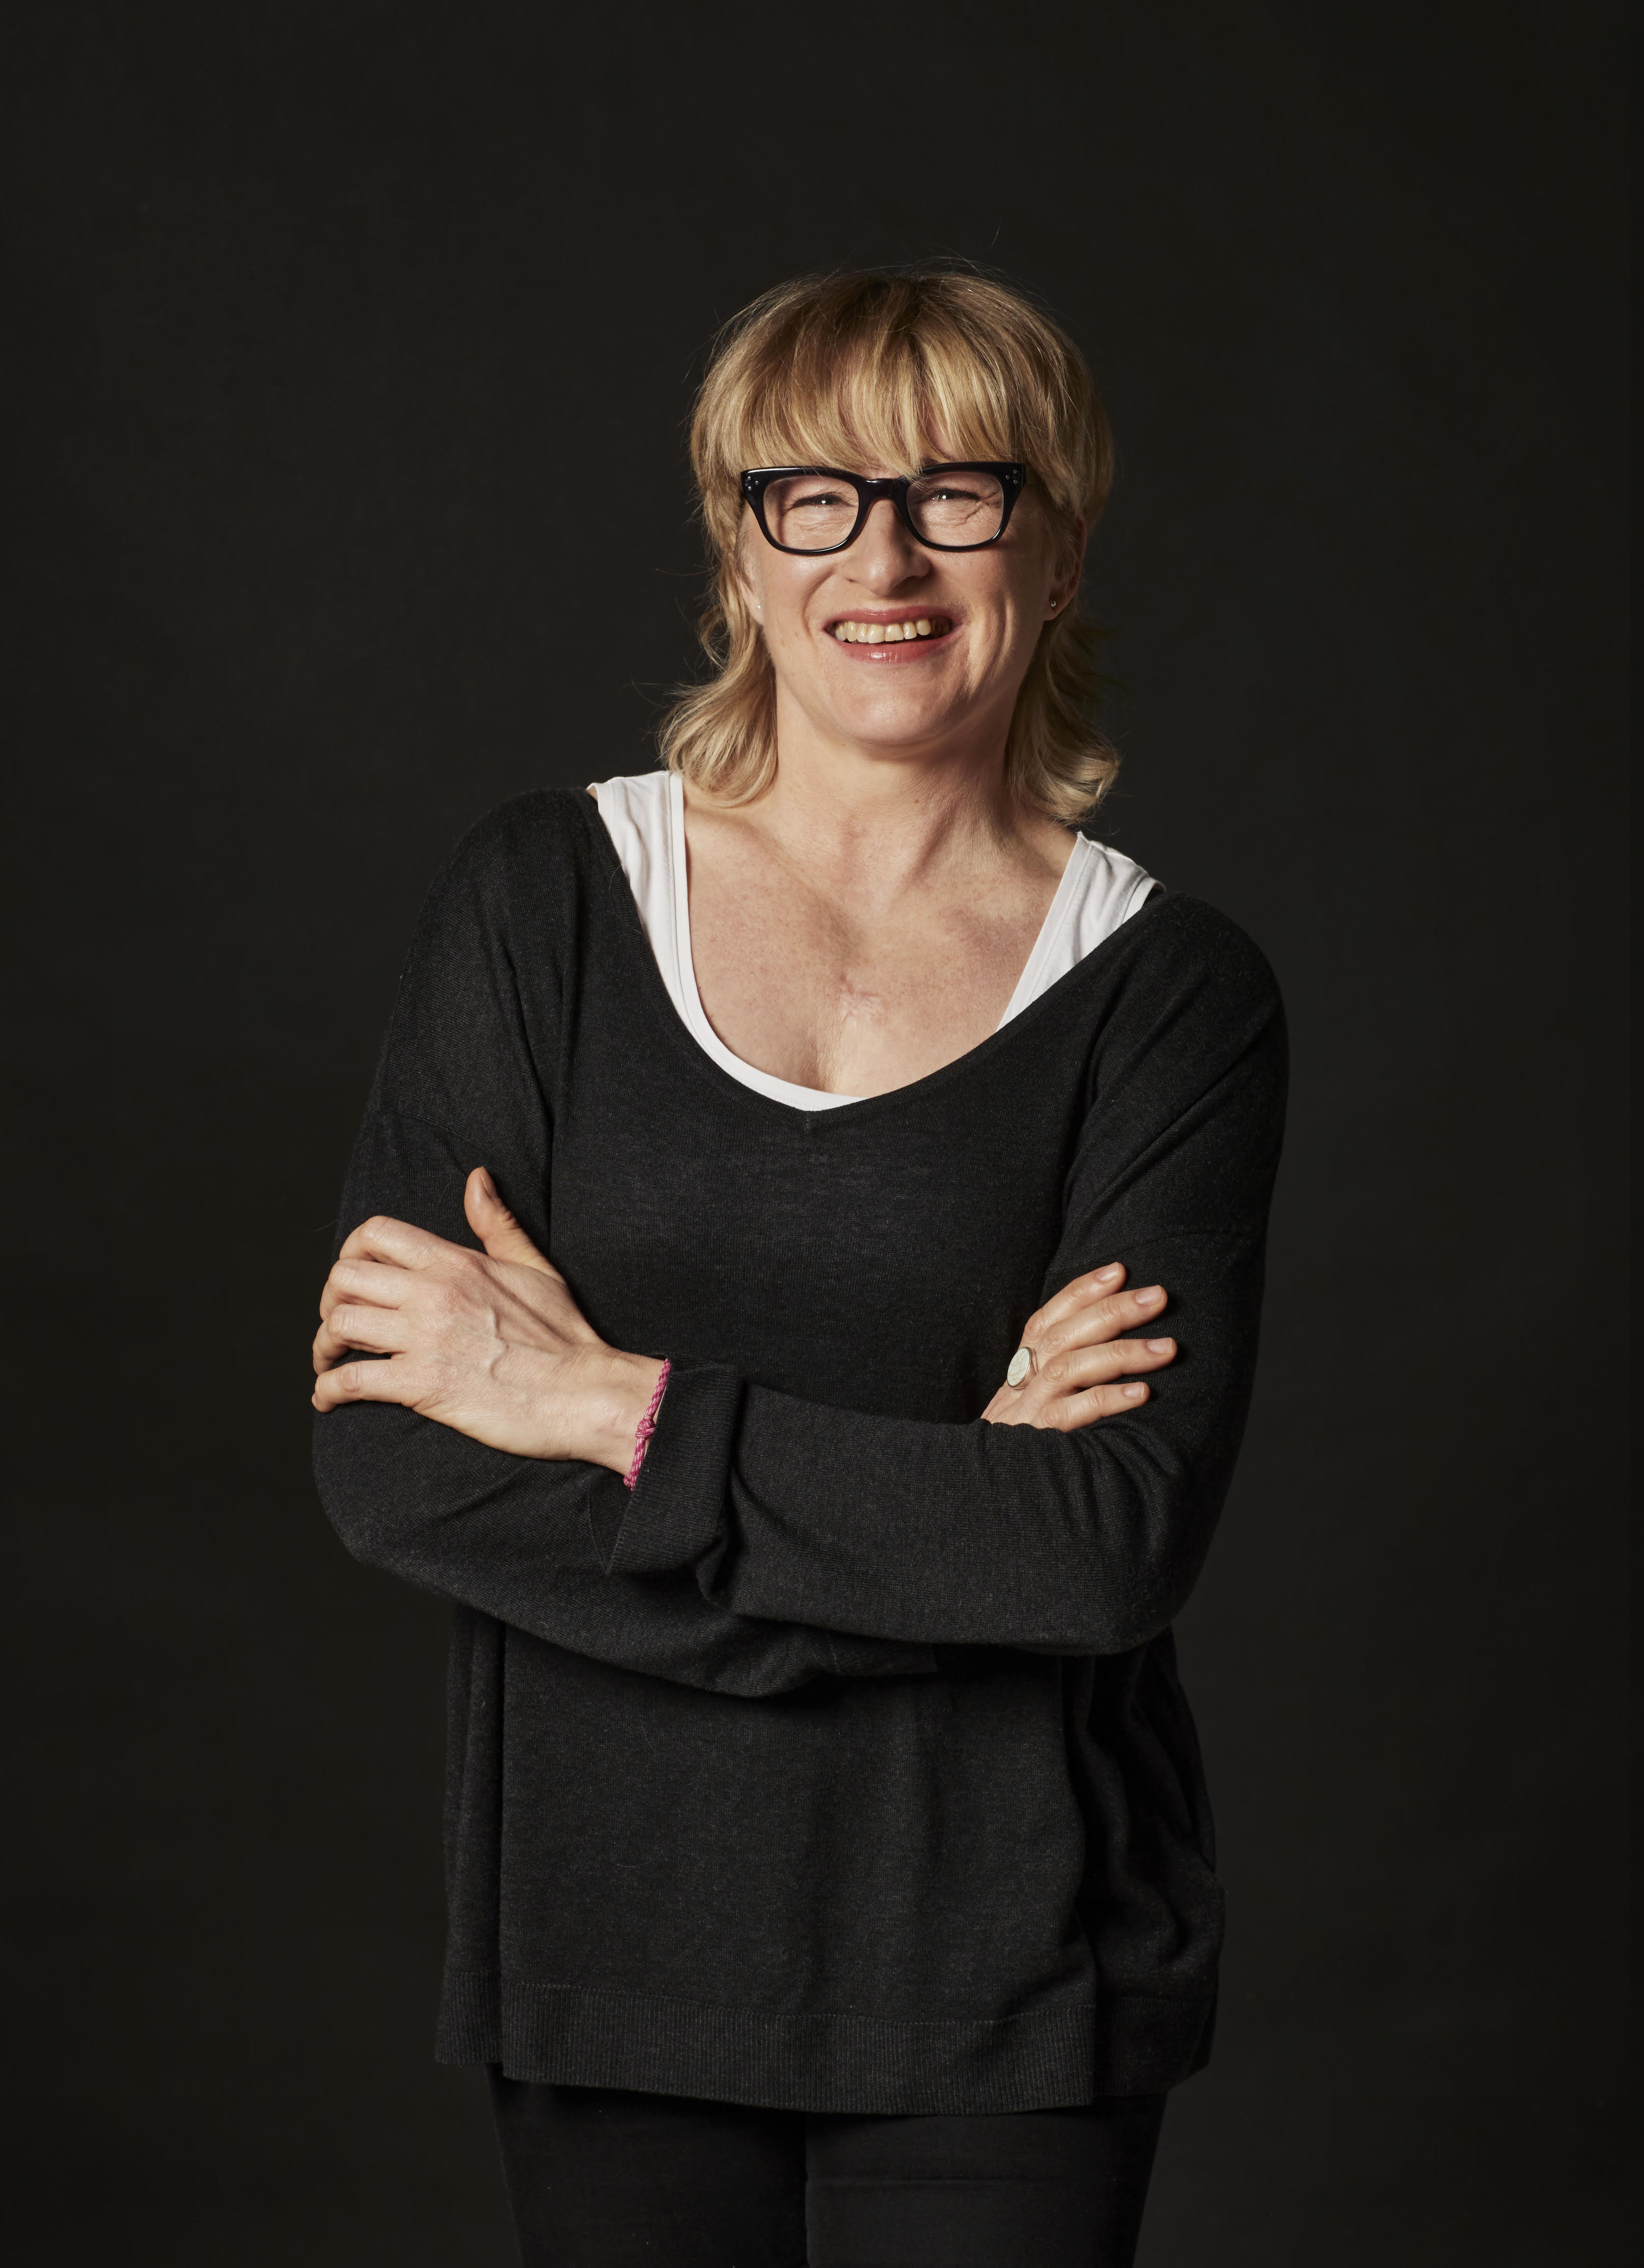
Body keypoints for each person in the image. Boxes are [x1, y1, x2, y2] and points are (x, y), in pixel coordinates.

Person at [311, 267, 1286, 2268]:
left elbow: (1096, 1549)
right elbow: (396, 1463)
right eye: (812, 495)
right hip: (609, 1942)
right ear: (739, 550)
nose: (884, 557)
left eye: (957, 493)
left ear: (1059, 548)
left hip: (1015, 1961)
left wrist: (601, 1406)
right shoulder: (541, 904)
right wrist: (943, 1534)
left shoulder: (1171, 997)